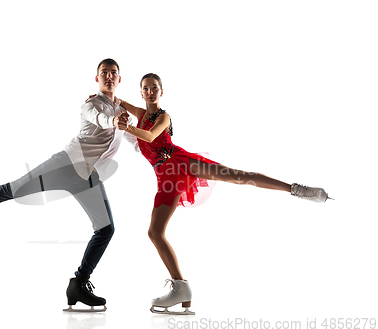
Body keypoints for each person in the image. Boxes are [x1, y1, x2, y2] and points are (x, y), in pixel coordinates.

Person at [0, 59, 136, 312]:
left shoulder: (123, 112)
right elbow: (101, 118)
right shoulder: (91, 104)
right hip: (66, 165)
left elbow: (137, 141)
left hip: (90, 177)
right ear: (97, 78)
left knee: (106, 229)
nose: (109, 76)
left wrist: (159, 145)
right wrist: (114, 122)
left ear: (120, 79)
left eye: (114, 73)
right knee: (12, 190)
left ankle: (79, 284)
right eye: (105, 73)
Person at [118, 73, 331, 315]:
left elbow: (149, 136)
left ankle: (295, 189)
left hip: (181, 163)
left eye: (155, 87)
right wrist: (102, 98)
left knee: (238, 176)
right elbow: (119, 101)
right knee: (155, 233)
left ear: (161, 91)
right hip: (164, 177)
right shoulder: (140, 113)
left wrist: (127, 127)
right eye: (145, 88)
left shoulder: (163, 117)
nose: (150, 92)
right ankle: (181, 286)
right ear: (141, 93)